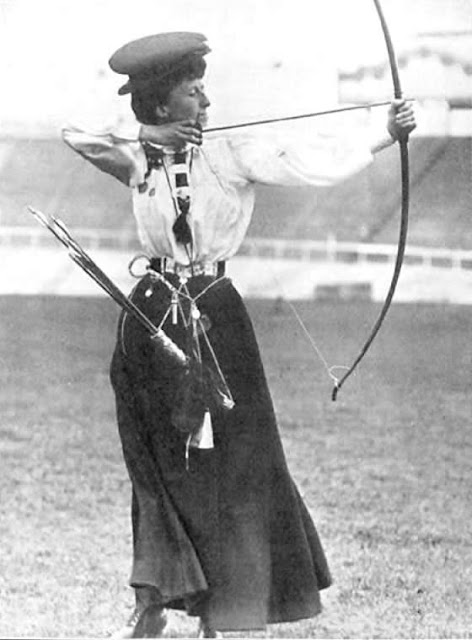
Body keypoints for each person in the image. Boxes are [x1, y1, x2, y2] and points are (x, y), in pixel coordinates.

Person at [62, 32, 416, 638]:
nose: (205, 101)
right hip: (151, 317)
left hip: (214, 315)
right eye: (192, 92)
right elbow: (75, 134)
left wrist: (385, 133)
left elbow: (307, 160)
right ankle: (152, 600)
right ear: (162, 104)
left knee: (233, 466)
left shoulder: (228, 152)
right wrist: (150, 137)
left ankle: (219, 613)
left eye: (204, 90)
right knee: (155, 466)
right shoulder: (137, 156)